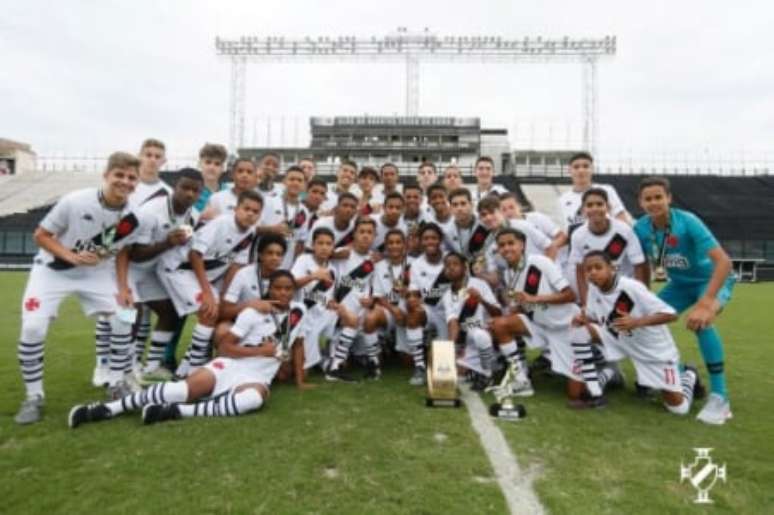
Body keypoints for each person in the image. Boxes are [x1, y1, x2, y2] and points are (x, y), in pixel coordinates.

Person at [68, 271, 309, 428]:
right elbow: (224, 348)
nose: (284, 293)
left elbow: (297, 345)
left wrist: (300, 380)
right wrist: (260, 352)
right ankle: (106, 409)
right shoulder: (253, 311)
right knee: (184, 388)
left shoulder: (299, 311)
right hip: (230, 364)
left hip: (257, 376)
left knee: (254, 399)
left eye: (288, 288)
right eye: (278, 288)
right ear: (270, 289)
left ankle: (178, 412)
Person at [15, 152, 142, 424]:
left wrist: (123, 288)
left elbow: (121, 253)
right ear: (106, 175)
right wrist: (71, 256)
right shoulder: (75, 201)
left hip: (96, 273)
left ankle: (116, 383)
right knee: (32, 327)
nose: (125, 181)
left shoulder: (131, 219)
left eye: (132, 177)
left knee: (124, 316)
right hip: (52, 270)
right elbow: (41, 235)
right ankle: (33, 396)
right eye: (119, 175)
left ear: (137, 183)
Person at [634, 176, 735, 425]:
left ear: (668, 198)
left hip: (711, 281)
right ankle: (680, 378)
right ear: (640, 202)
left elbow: (724, 262)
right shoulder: (641, 228)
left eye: (659, 197)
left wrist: (706, 302)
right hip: (679, 285)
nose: (654, 202)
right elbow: (642, 264)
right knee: (646, 322)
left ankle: (720, 398)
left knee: (701, 322)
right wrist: (644, 296)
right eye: (648, 198)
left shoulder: (688, 222)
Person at [578, 251, 704, 416]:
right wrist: (582, 318)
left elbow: (671, 314)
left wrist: (636, 322)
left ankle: (689, 375)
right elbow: (593, 316)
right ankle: (607, 372)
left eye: (598, 267)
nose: (593, 272)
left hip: (652, 349)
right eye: (588, 269)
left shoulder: (631, 287)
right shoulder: (594, 288)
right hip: (618, 339)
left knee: (678, 408)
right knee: (578, 332)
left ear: (611, 268)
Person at [157, 191, 262, 381]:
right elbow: (195, 255)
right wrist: (207, 292)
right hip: (180, 269)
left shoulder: (250, 233)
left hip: (199, 276)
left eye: (256, 211)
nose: (250, 214)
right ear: (236, 209)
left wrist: (224, 297)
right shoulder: (223, 223)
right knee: (208, 311)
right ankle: (194, 370)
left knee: (215, 310)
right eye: (246, 209)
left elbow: (235, 266)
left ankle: (184, 371)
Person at [118, 169, 203, 384]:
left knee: (170, 312)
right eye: (186, 188)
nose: (190, 194)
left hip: (153, 271)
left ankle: (152, 366)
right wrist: (168, 242)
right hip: (127, 267)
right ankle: (126, 370)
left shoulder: (193, 216)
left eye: (196, 190)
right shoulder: (151, 211)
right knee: (130, 317)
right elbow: (134, 254)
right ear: (175, 187)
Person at [488, 228, 581, 400]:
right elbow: (523, 304)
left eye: (511, 243)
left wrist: (535, 299)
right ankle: (521, 381)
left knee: (577, 394)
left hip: (565, 327)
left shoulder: (540, 262)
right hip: (539, 325)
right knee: (499, 324)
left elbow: (570, 295)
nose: (506, 248)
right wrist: (506, 314)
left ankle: (608, 373)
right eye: (502, 245)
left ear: (522, 245)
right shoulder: (509, 273)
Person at [556, 152, 629, 291]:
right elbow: (567, 234)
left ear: (592, 169)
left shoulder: (606, 190)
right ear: (569, 171)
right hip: (581, 260)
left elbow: (623, 221)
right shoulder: (562, 200)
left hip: (608, 256)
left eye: (585, 166)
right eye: (576, 167)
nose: (581, 170)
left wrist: (612, 255)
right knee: (585, 301)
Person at [570, 188, 648, 306]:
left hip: (624, 291)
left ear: (608, 207)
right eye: (590, 205)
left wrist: (639, 297)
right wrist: (585, 304)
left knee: (625, 324)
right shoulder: (578, 236)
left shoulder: (624, 230)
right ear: (583, 210)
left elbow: (638, 265)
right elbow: (580, 272)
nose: (595, 208)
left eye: (599, 204)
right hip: (598, 293)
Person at [324, 218, 378, 382]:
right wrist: (334, 252)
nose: (365, 236)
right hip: (338, 312)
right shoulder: (342, 253)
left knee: (370, 319)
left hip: (362, 313)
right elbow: (322, 254)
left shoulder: (374, 259)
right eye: (361, 232)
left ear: (375, 236)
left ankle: (374, 363)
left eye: (369, 233)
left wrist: (372, 300)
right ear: (354, 234)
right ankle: (335, 367)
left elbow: (376, 287)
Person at [442, 252, 502, 390]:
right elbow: (453, 323)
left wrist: (481, 299)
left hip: (485, 329)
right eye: (447, 265)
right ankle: (487, 365)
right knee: (455, 372)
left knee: (480, 335)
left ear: (464, 267)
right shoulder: (447, 295)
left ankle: (487, 374)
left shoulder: (479, 284)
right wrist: (450, 347)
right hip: (466, 337)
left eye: (455, 264)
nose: (451, 268)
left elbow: (498, 312)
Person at [403, 223, 450, 386]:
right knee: (413, 313)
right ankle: (420, 367)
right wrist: (411, 299)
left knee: (448, 365)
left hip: (452, 313)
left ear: (440, 240)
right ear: (420, 241)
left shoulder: (451, 260)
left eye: (434, 238)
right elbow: (414, 291)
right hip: (429, 310)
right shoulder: (416, 264)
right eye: (426, 238)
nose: (430, 242)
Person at [363, 229, 412, 371]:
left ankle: (399, 346)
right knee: (371, 317)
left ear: (405, 245)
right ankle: (374, 362)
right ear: (385, 245)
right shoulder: (379, 266)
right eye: (390, 243)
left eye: (398, 242)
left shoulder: (414, 263)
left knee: (407, 363)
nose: (394, 246)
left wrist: (407, 296)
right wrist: (393, 309)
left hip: (408, 312)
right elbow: (377, 295)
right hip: (389, 310)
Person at [291, 227, 337, 371]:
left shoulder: (333, 269)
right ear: (313, 245)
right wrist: (312, 276)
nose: (324, 247)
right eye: (320, 243)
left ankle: (331, 356)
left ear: (332, 247)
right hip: (303, 314)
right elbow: (291, 284)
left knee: (340, 313)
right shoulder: (303, 260)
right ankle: (317, 358)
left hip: (322, 315)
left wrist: (331, 302)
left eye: (328, 244)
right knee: (304, 370)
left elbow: (327, 297)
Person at [259, 166, 309, 269]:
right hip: (263, 262)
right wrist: (272, 230)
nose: (295, 183)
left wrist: (295, 266)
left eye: (299, 180)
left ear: (304, 185)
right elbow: (253, 230)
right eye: (292, 179)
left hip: (286, 266)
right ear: (284, 182)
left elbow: (300, 242)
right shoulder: (268, 201)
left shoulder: (304, 212)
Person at [499, 192, 566, 257]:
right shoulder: (502, 231)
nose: (509, 212)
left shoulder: (537, 217)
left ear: (519, 206)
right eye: (504, 210)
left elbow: (562, 237)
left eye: (511, 207)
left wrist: (547, 250)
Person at [306, 192, 358, 257]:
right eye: (345, 205)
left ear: (356, 211)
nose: (348, 209)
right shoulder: (321, 224)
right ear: (336, 208)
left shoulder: (355, 228)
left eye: (352, 207)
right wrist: (334, 255)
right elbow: (308, 250)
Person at [193, 143, 228, 213]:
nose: (212, 167)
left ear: (223, 168)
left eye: (217, 164)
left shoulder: (229, 192)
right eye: (208, 162)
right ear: (199, 164)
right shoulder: (191, 192)